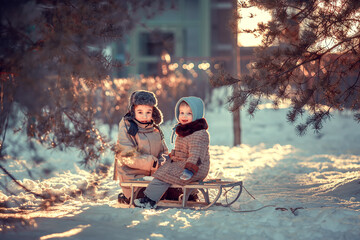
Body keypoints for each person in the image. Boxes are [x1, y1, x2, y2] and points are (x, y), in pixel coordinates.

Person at [134, 96, 210, 208]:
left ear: (197, 114)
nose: (184, 116)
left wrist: (189, 170)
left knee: (163, 175)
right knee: (165, 169)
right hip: (185, 165)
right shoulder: (185, 130)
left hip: (195, 168)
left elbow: (196, 154)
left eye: (189, 113)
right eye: (181, 112)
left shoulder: (199, 134)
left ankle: (149, 200)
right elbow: (181, 151)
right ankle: (190, 196)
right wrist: (171, 157)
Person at [113, 90, 168, 204]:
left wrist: (164, 160)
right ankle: (129, 196)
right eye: (140, 112)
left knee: (170, 191)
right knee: (149, 196)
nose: (144, 116)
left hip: (154, 178)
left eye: (148, 112)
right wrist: (153, 163)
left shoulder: (155, 129)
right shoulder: (127, 127)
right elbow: (127, 155)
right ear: (133, 111)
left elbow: (164, 151)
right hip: (134, 178)